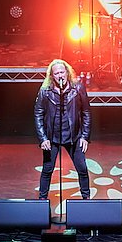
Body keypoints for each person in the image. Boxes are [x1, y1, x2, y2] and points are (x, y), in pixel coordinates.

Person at [35, 59, 91, 200]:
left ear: (67, 72)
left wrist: (85, 136)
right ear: (52, 76)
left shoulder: (78, 88)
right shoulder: (45, 91)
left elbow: (86, 112)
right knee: (47, 169)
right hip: (52, 137)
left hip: (74, 136)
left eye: (62, 72)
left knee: (82, 169)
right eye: (57, 73)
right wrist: (43, 138)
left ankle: (87, 201)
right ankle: (42, 201)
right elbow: (38, 113)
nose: (60, 75)